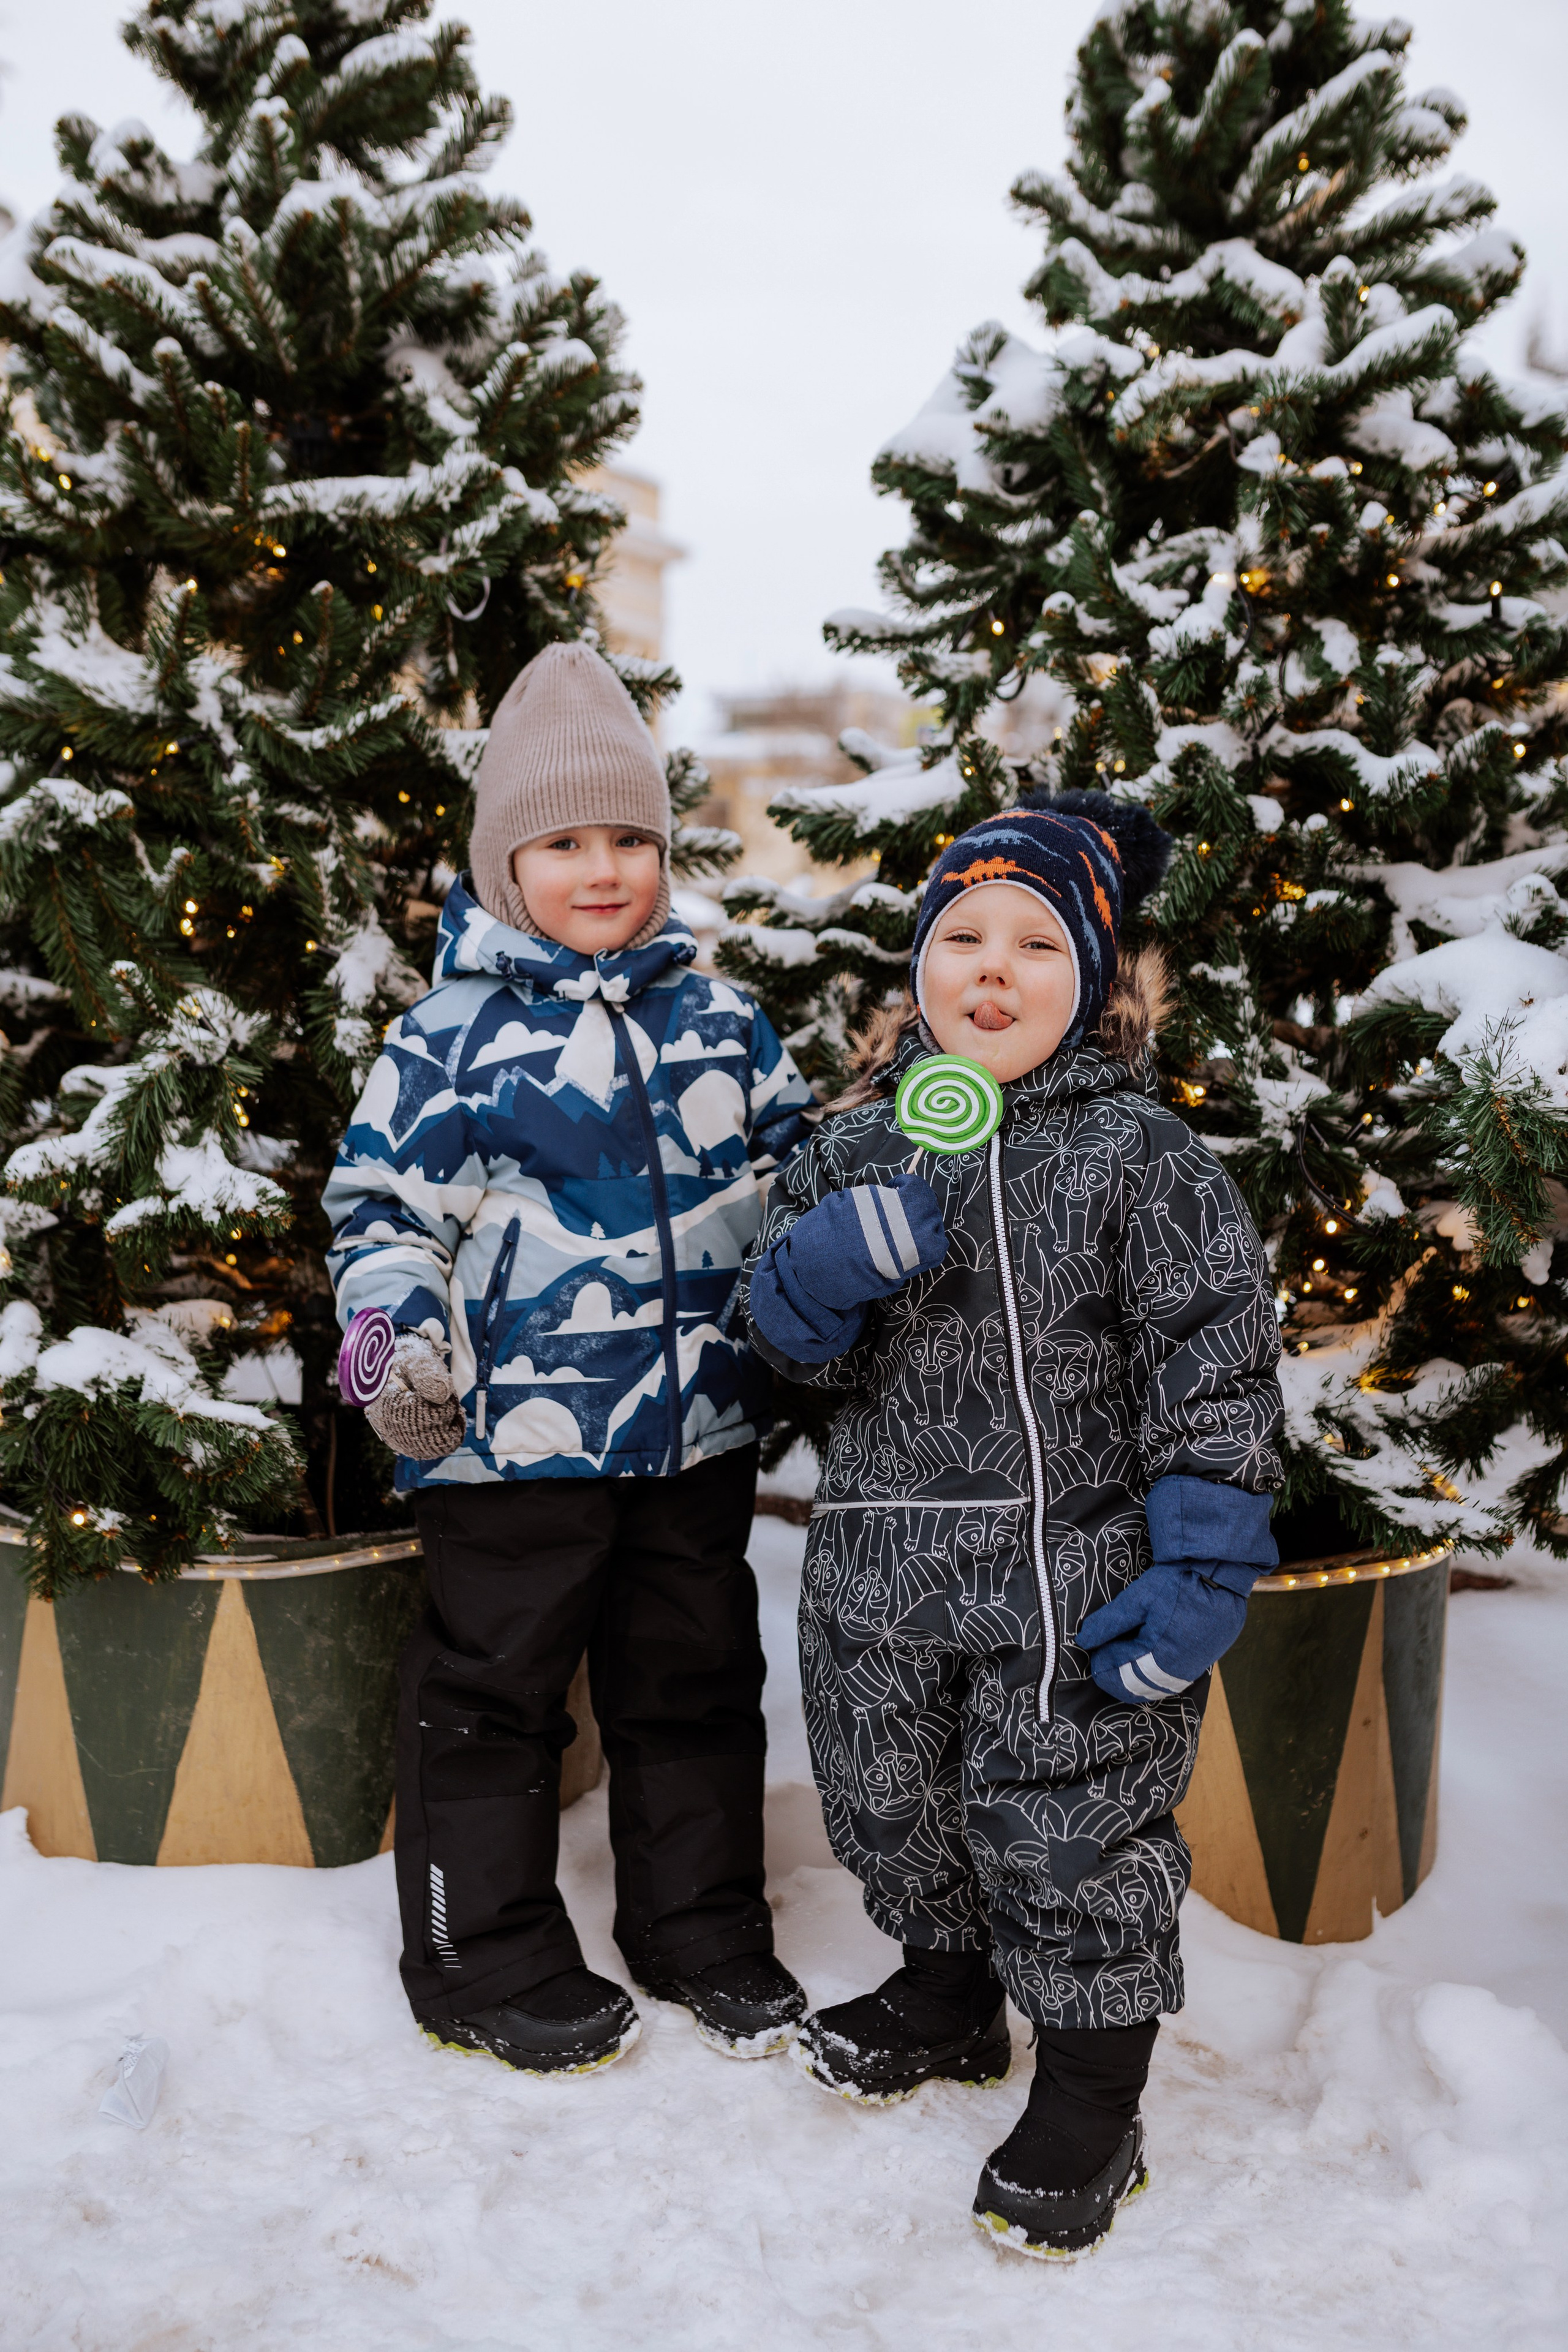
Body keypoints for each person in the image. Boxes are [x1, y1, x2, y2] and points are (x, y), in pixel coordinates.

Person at [742, 791, 1284, 2260]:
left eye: (1036, 943)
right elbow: (786, 1360)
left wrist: (1199, 1570)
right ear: (914, 971)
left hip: (1068, 1581)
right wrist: (813, 1275)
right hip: (877, 1570)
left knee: (1065, 1835)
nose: (992, 966)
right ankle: (944, 1992)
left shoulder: (1137, 1157)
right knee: (888, 1796)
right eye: (960, 936)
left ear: (1096, 982)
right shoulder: (848, 1149)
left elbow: (1214, 1367)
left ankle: (1095, 2095)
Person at [324, 640, 816, 2077]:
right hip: (508, 1445)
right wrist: (395, 1347)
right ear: (502, 867)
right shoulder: (447, 1043)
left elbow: (797, 1184)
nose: (600, 870)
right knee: (492, 1696)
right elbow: (379, 1219)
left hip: (694, 1440)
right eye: (561, 843)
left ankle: (700, 1927)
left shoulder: (723, 1020)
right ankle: (480, 1953)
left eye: (627, 840)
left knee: (696, 1683)